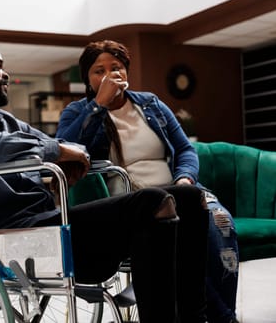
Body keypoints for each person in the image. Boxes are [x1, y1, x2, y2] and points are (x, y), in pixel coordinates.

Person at [0, 35, 210, 323]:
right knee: (154, 202)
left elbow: (61, 143)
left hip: (49, 223)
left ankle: (195, 318)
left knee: (189, 197)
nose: (5, 73)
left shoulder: (5, 122)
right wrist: (56, 151)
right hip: (3, 237)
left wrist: (69, 157)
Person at [56, 40, 239, 323]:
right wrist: (99, 106)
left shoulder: (151, 103)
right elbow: (67, 149)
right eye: (98, 71)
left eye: (116, 68)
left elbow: (185, 149)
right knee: (179, 236)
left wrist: (185, 178)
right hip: (136, 201)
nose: (109, 74)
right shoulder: (77, 112)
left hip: (181, 190)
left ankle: (218, 313)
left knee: (219, 223)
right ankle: (220, 318)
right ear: (87, 79)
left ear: (126, 72)